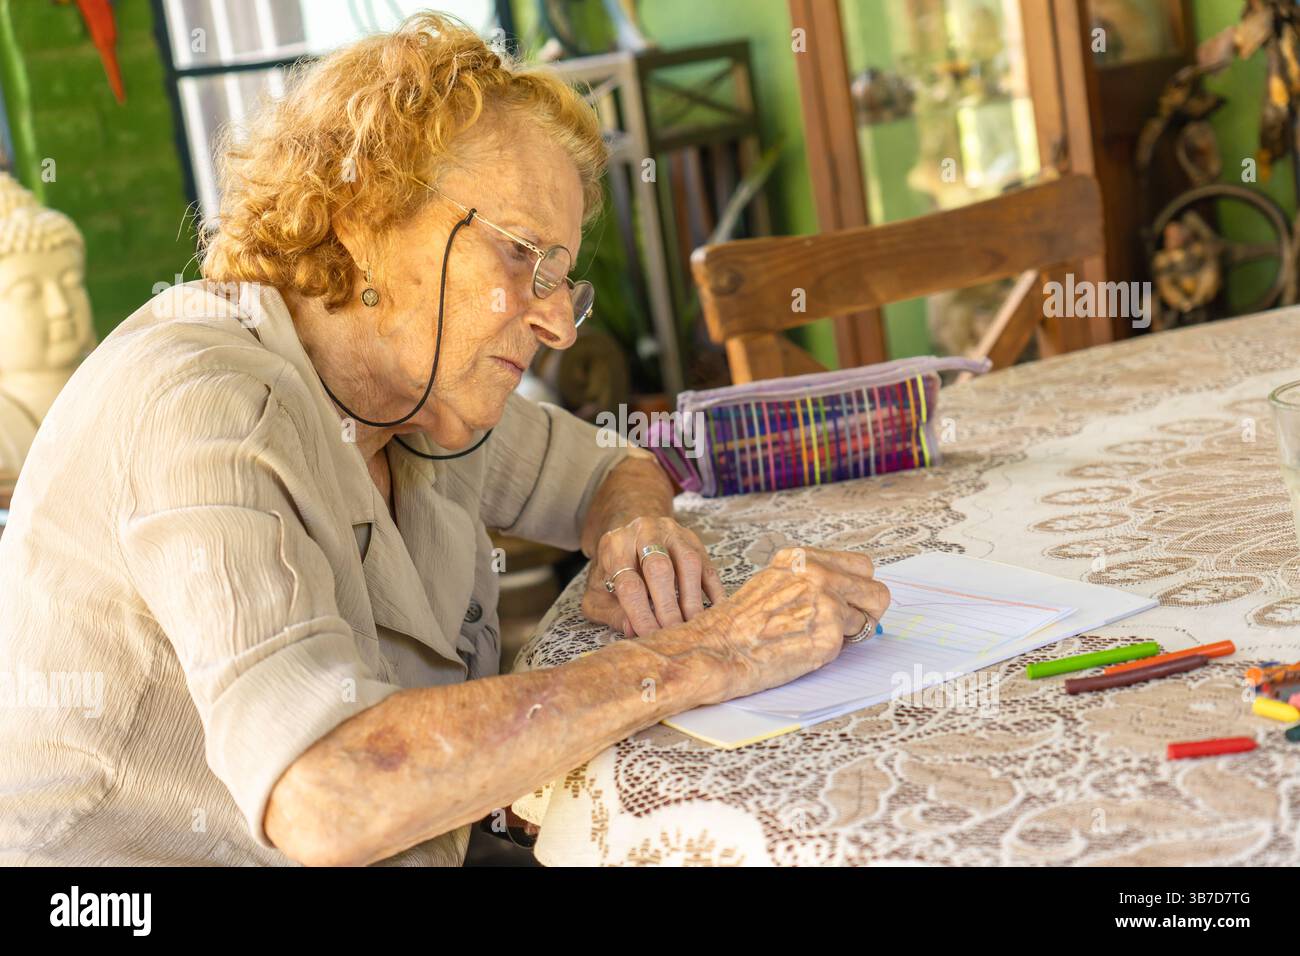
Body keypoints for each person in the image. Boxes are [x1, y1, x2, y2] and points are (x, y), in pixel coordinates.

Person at [0, 13, 889, 866]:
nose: (560, 326)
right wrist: (707, 652)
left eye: (562, 278)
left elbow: (610, 467)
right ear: (363, 216)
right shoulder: (205, 403)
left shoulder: (408, 392)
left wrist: (635, 532)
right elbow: (328, 793)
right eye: (520, 257)